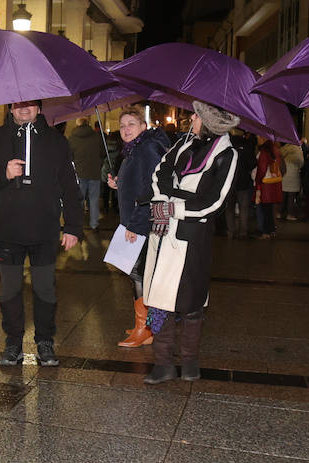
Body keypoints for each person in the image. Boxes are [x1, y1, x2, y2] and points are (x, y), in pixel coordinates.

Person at [0, 99, 82, 367]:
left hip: (45, 230)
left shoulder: (56, 142)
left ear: (40, 108)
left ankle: (45, 341)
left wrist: (74, 227)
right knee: (10, 290)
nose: (23, 109)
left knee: (45, 290)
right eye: (18, 104)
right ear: (9, 108)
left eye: (29, 104)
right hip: (7, 230)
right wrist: (3, 174)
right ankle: (13, 343)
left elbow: (70, 186)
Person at [142, 102, 240, 384]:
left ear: (209, 122)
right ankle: (162, 363)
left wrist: (174, 208)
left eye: (196, 115)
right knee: (158, 299)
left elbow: (215, 203)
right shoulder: (184, 144)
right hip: (162, 234)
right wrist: (162, 200)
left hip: (193, 239)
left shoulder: (227, 155)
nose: (191, 118)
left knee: (192, 301)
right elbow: (160, 171)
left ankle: (189, 360)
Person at [107, 108, 171, 348]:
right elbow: (139, 183)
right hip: (135, 221)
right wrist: (119, 183)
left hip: (142, 223)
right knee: (138, 272)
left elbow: (153, 190)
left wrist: (134, 224)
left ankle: (145, 328)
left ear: (143, 127)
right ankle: (143, 326)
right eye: (122, 125)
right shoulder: (134, 149)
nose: (125, 129)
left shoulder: (145, 149)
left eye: (131, 124)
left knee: (139, 274)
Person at [68, 117, 107, 231]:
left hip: (79, 173)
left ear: (77, 124)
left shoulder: (72, 138)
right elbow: (102, 153)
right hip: (94, 172)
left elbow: (70, 156)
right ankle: (94, 223)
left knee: (79, 199)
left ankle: (78, 224)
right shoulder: (97, 137)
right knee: (94, 199)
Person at [224, 131, 257, 239]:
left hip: (229, 183)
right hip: (243, 182)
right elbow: (253, 164)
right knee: (244, 208)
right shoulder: (247, 147)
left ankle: (231, 231)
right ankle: (243, 232)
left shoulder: (227, 145)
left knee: (229, 209)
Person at [253, 139, 284, 239]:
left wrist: (257, 182)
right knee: (270, 210)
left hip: (265, 186)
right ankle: (272, 230)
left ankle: (265, 232)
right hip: (275, 184)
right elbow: (283, 168)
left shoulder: (264, 153)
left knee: (265, 209)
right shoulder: (277, 151)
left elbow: (261, 170)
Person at [279, 142, 304, 220]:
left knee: (282, 195)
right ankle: (290, 214)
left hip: (283, 174)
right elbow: (301, 162)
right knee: (291, 196)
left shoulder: (282, 149)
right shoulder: (297, 150)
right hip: (293, 174)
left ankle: (279, 213)